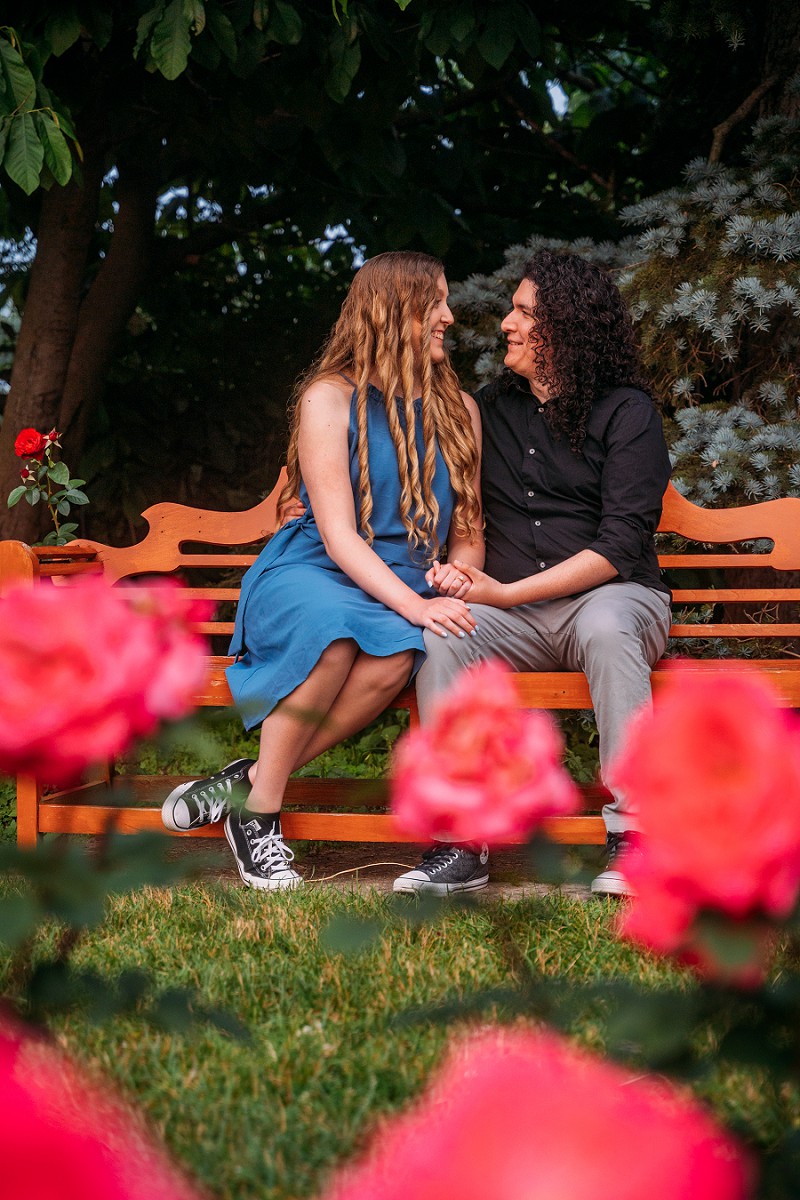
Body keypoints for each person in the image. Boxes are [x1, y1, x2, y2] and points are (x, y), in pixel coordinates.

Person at [161, 251, 484, 889]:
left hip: (400, 580)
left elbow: (471, 534)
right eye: (437, 303)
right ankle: (260, 816)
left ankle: (251, 778)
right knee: (336, 636)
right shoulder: (328, 400)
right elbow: (338, 536)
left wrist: (458, 576)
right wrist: (416, 606)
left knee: (396, 658)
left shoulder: (459, 412)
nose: (450, 316)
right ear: (397, 313)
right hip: (315, 571)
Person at [393, 248, 672, 899]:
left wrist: (507, 591)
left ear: (565, 328)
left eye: (523, 313)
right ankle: (461, 842)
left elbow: (619, 546)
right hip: (510, 618)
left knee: (605, 624)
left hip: (613, 599)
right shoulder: (491, 408)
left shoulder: (626, 413)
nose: (505, 325)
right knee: (443, 635)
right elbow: (421, 469)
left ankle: (636, 837)